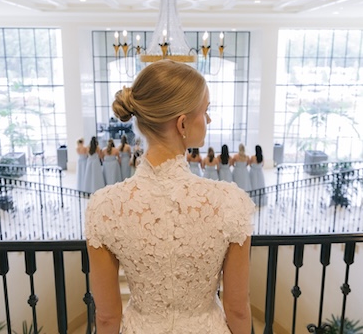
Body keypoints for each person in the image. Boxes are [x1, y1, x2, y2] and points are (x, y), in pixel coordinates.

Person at [85, 60, 254, 334]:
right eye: (205, 111)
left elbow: (106, 317)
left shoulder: (104, 206)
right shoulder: (230, 202)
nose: (208, 120)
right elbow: (237, 309)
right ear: (183, 123)